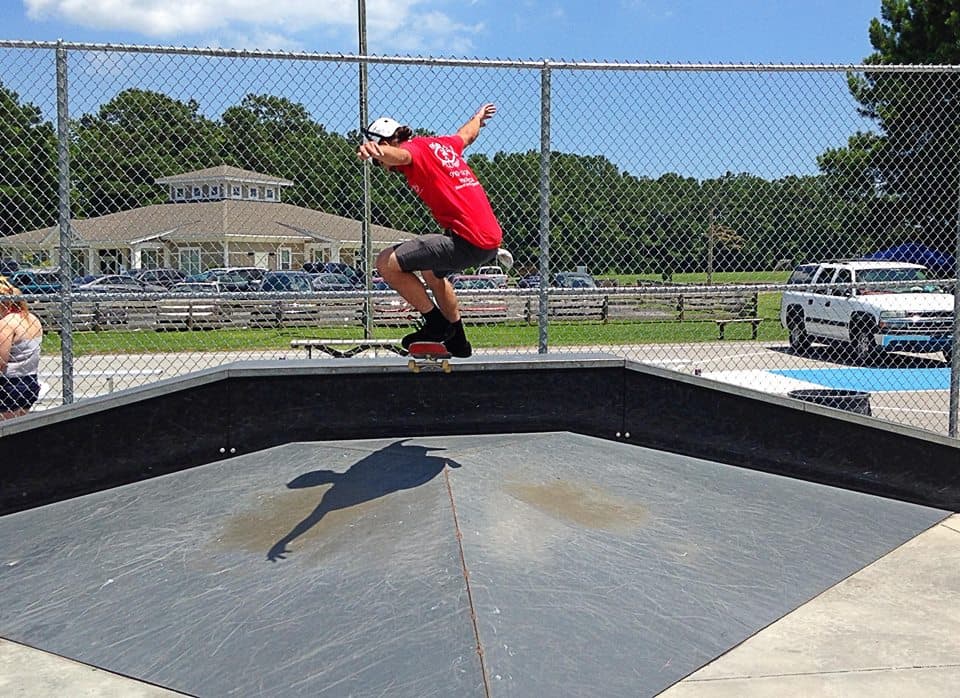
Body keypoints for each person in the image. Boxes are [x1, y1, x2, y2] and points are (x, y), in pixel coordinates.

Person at [357, 103, 504, 357]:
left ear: (388, 142)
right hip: (488, 240)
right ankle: (458, 341)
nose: (386, 169)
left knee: (385, 263)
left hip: (469, 240)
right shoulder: (442, 145)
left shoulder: (412, 151)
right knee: (432, 272)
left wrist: (376, 151)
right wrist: (478, 118)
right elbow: (466, 135)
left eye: (381, 164)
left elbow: (401, 156)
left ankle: (436, 324)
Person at [0, 276, 43, 419]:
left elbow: (1, 361)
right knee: (20, 424)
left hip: (9, 384)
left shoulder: (7, 323)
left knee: (6, 426)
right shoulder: (32, 318)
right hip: (30, 380)